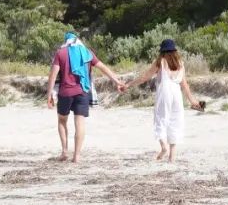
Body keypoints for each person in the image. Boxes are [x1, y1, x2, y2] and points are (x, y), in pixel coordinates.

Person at [47, 32, 125, 163]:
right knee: (80, 123)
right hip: (82, 92)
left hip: (65, 93)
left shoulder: (61, 53)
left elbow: (53, 75)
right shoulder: (87, 52)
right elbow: (103, 67)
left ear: (66, 41)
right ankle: (77, 156)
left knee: (62, 121)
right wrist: (117, 81)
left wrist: (49, 93)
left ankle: (65, 152)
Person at [120, 38, 201, 162]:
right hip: (176, 94)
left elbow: (145, 77)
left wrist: (128, 85)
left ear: (162, 51)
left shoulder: (161, 61)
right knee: (175, 121)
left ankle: (163, 147)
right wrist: (193, 101)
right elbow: (184, 85)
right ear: (174, 51)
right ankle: (172, 158)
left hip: (165, 92)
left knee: (160, 119)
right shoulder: (180, 63)